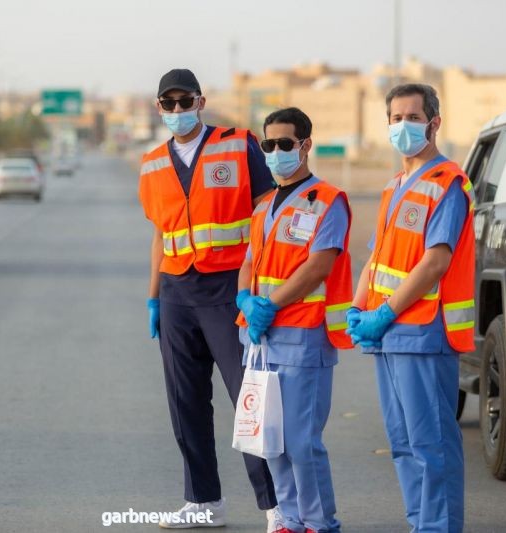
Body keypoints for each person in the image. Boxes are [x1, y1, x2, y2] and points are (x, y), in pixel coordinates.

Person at [138, 68, 279, 530]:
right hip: (178, 290)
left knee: (248, 399)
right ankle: (203, 502)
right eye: (169, 104)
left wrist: (256, 285)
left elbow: (266, 215)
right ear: (159, 108)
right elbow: (160, 233)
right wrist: (154, 297)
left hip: (228, 288)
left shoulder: (239, 145)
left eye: (185, 101)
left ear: (201, 102)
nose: (177, 111)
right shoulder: (153, 163)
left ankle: (276, 506)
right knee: (186, 400)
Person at [347, 83, 475, 533]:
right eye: (395, 118)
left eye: (412, 117)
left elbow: (435, 262)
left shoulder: (448, 185)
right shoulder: (394, 187)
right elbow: (375, 258)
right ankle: (421, 524)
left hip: (423, 332)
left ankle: (439, 528)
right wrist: (358, 307)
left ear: (434, 123)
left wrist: (384, 314)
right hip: (388, 337)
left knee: (431, 443)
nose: (403, 126)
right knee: (402, 444)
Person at [236, 107, 353, 533]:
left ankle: (320, 524)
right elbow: (249, 260)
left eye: (285, 144)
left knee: (302, 443)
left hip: (303, 335)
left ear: (305, 145)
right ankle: (288, 518)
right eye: (269, 145)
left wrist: (270, 303)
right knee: (271, 440)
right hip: (261, 339)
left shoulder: (328, 201)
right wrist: (245, 299)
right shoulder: (265, 204)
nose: (275, 152)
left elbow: (318, 266)